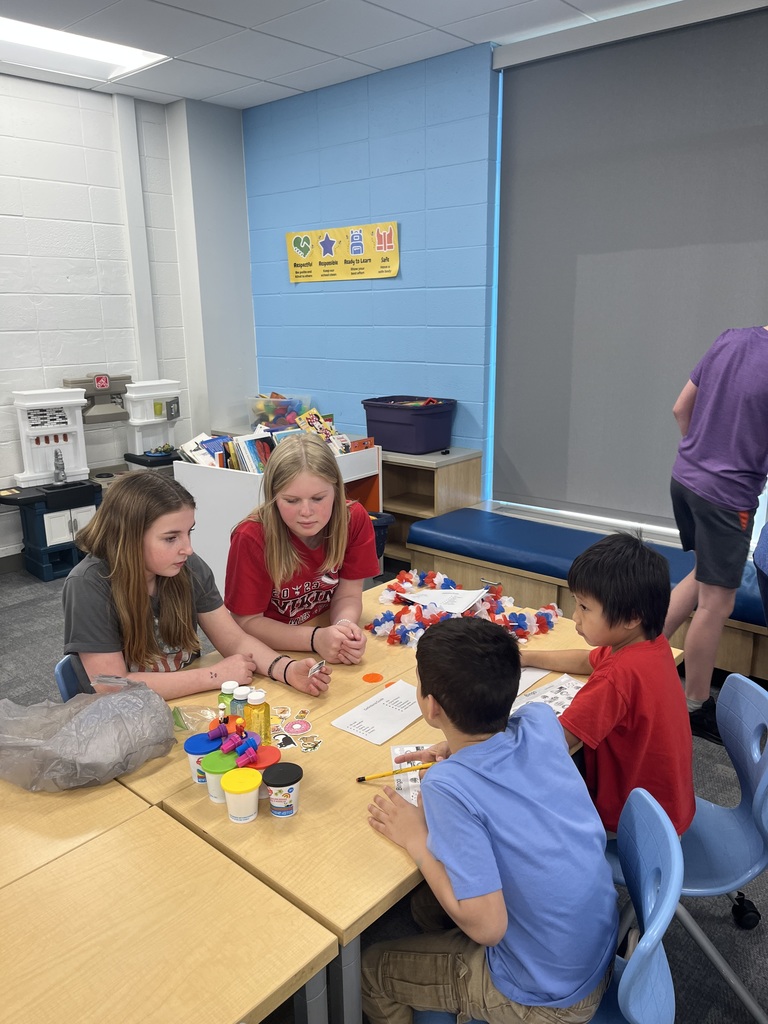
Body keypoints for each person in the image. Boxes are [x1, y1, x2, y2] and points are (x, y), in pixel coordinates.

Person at [362, 617, 618, 1024]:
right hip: (596, 945)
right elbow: (506, 746)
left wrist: (414, 838)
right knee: (427, 906)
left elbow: (488, 928)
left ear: (431, 706)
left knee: (370, 968)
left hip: (545, 995)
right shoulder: (539, 720)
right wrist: (456, 747)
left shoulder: (447, 785)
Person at [62, 473, 331, 700]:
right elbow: (112, 685)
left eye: (188, 532)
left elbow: (233, 639)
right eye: (171, 538)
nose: (187, 549)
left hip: (184, 700)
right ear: (129, 536)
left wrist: (287, 669)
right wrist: (214, 676)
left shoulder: (187, 567)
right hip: (127, 716)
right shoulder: (88, 585)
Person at [520, 533, 695, 836]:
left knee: (525, 803)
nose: (575, 617)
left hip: (634, 825)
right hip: (669, 808)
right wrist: (524, 656)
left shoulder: (616, 677)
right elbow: (586, 660)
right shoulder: (651, 646)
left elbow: (554, 741)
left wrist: (472, 741)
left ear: (632, 617)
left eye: (585, 608)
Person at [664, 324, 768, 744]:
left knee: (701, 574)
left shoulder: (731, 338)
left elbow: (680, 408)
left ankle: (635, 656)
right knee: (716, 603)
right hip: (726, 499)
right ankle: (694, 705)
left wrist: (704, 460)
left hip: (684, 479)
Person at [225, 432, 380, 664]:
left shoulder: (353, 519)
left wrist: (344, 627)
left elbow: (349, 594)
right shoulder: (251, 537)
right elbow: (246, 622)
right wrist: (315, 639)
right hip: (272, 651)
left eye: (318, 498)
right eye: (292, 500)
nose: (306, 512)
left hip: (322, 633)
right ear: (273, 497)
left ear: (336, 491)